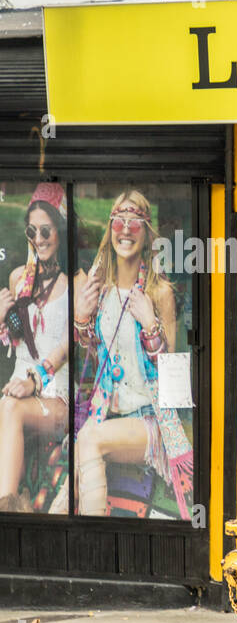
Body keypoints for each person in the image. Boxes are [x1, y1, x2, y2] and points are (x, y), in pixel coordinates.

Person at [71, 190, 193, 518]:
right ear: (109, 228)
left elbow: (174, 378)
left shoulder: (159, 293)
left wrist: (150, 324)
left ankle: (91, 538)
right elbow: (92, 359)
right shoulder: (101, 289)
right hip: (107, 415)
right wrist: (82, 316)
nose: (125, 229)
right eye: (119, 221)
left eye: (135, 222)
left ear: (147, 232)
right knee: (63, 497)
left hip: (148, 420)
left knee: (89, 440)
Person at [0, 184, 73, 512]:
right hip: (17, 393)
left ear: (59, 230)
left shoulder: (75, 284)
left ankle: (8, 513)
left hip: (54, 398)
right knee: (10, 407)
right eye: (32, 230)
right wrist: (3, 317)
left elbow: (67, 348)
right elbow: (15, 340)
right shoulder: (19, 279)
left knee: (11, 408)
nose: (39, 238)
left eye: (46, 230)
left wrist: (34, 381)